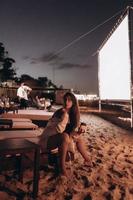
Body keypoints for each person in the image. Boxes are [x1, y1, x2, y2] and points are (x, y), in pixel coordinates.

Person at [39, 92, 91, 176]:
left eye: (69, 100)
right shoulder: (60, 112)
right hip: (48, 139)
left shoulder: (73, 114)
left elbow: (73, 129)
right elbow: (58, 128)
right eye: (65, 100)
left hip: (60, 139)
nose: (67, 102)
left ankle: (88, 160)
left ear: (73, 102)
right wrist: (64, 115)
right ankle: (62, 168)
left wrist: (83, 127)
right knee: (65, 136)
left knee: (78, 138)